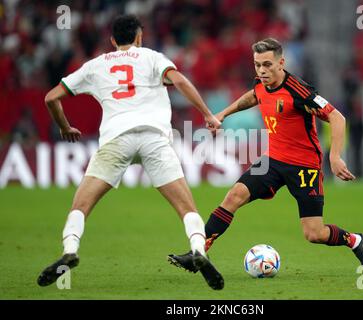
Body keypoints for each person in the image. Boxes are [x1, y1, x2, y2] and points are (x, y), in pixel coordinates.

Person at [37, 14, 224, 290]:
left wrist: (65, 127)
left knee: (81, 206)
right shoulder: (152, 57)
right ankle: (198, 250)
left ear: (113, 40)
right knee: (186, 208)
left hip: (116, 139)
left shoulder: (95, 66)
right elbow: (181, 81)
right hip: (154, 139)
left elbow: (51, 97)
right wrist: (207, 114)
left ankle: (70, 251)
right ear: (139, 37)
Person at [168, 38, 363, 276]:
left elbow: (337, 117)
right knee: (234, 196)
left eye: (267, 65)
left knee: (314, 234)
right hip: (272, 160)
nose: (262, 71)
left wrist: (335, 157)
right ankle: (199, 253)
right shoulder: (261, 83)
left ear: (281, 63)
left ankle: (357, 241)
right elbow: (254, 95)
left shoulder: (299, 91)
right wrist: (222, 114)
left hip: (304, 167)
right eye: (257, 65)